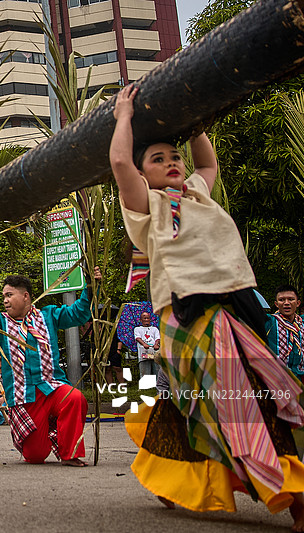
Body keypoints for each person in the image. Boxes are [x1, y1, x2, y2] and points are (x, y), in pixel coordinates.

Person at [112, 83, 304, 530]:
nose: (171, 163)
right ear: (144, 176)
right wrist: (124, 115)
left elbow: (207, 162)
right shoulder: (146, 206)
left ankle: (172, 476)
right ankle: (291, 492)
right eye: (157, 159)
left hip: (236, 307)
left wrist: (196, 127)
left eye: (173, 155)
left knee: (246, 395)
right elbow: (120, 162)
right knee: (236, 400)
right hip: (187, 314)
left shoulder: (199, 193)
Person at [0, 267, 101, 467]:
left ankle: (70, 454)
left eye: (9, 295)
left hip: (51, 387)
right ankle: (36, 443)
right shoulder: (0, 322)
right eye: (4, 296)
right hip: (24, 396)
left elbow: (78, 313)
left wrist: (91, 287)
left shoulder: (49, 315)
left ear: (25, 296)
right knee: (36, 456)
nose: (5, 300)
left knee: (75, 398)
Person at [265, 285, 304, 379]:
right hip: (276, 378)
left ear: (298, 303)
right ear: (276, 304)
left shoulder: (302, 323)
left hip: (301, 377)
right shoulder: (269, 322)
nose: (286, 303)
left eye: (291, 299)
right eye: (282, 300)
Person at [134, 311, 160, 378]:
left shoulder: (154, 329)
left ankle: (158, 385)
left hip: (154, 351)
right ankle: (145, 386)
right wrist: (144, 344)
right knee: (144, 370)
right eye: (144, 318)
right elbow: (137, 338)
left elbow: (158, 338)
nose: (146, 320)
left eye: (147, 318)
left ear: (150, 319)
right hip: (143, 352)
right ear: (141, 320)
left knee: (157, 368)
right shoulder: (137, 329)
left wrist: (156, 344)